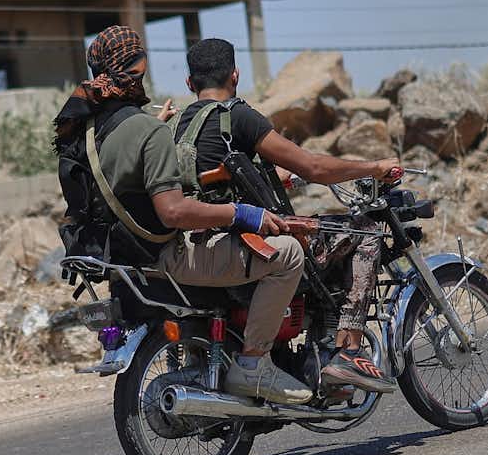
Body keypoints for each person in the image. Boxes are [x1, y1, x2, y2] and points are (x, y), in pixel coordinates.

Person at [55, 25, 322, 405]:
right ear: (139, 67)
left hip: (120, 257)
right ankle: (253, 366)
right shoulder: (147, 130)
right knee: (289, 254)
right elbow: (174, 211)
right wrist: (240, 213)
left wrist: (156, 128)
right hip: (164, 255)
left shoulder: (85, 131)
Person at [177, 37, 402, 393]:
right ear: (235, 76)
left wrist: (285, 178)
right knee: (365, 231)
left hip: (198, 242)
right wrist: (374, 167)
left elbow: (224, 176)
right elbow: (314, 166)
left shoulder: (179, 125)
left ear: (190, 83)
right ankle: (347, 353)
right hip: (242, 242)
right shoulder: (237, 117)